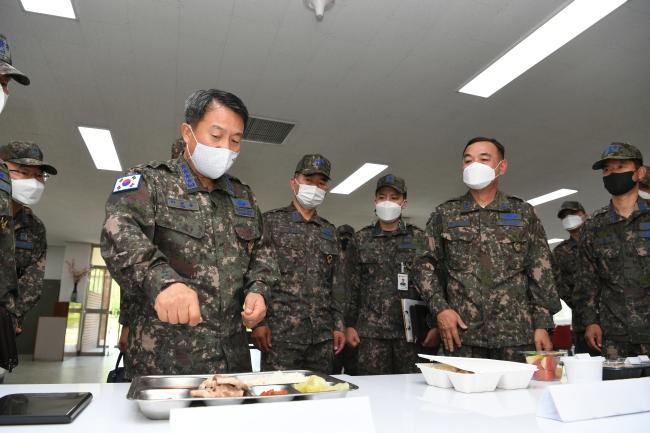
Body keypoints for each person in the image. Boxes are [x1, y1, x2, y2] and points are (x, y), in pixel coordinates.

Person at [100, 89, 278, 376]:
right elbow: (119, 232)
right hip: (166, 358)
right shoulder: (151, 181)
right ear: (187, 132)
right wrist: (163, 282)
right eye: (216, 136)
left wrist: (259, 290)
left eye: (235, 140)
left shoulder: (243, 196)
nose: (226, 148)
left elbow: (263, 254)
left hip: (231, 358)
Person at [415, 137, 561, 361]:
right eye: (468, 160)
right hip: (462, 336)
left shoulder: (523, 213)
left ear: (501, 167)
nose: (474, 166)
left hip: (517, 335)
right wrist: (440, 309)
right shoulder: (444, 214)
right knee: (463, 395)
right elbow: (424, 266)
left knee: (517, 395)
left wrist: (542, 324)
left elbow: (540, 270)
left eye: (483, 159)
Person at [251, 154, 345, 373]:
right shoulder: (270, 222)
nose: (315, 187)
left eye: (321, 183)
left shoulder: (329, 231)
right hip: (280, 336)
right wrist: (258, 323)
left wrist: (338, 325)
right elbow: (255, 273)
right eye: (308, 180)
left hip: (321, 338)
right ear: (294, 183)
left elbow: (337, 285)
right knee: (278, 398)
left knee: (321, 397)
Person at [345, 174, 439, 375]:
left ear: (404, 203)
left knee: (412, 393)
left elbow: (432, 284)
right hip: (370, 334)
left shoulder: (419, 238)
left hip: (412, 336)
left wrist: (433, 324)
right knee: (374, 393)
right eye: (382, 197)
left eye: (394, 197)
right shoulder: (360, 239)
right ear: (375, 201)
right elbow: (350, 287)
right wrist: (348, 325)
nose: (387, 201)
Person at [575, 143, 649, 358]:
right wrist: (590, 321)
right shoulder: (593, 225)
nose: (612, 173)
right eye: (607, 170)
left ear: (639, 172)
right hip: (614, 335)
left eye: (620, 167)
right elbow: (586, 281)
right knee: (618, 389)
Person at [0, 141, 56, 334]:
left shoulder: (35, 228)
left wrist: (11, 317)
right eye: (23, 172)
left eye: (39, 175)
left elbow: (33, 282)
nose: (33, 182)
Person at [551, 201, 598, 355]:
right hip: (582, 324)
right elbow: (560, 287)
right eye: (564, 216)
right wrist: (582, 304)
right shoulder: (561, 252)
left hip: (615, 320)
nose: (569, 218)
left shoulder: (601, 241)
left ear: (584, 214)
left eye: (573, 213)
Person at [332, 224, 359, 375]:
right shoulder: (330, 260)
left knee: (354, 372)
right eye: (341, 237)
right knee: (333, 371)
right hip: (333, 328)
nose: (345, 241)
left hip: (354, 328)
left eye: (348, 238)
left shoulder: (357, 263)